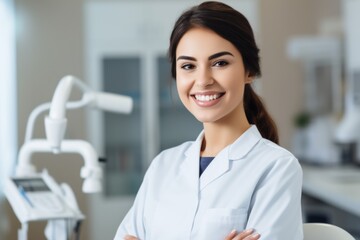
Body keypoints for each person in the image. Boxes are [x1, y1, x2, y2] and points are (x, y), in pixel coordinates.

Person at [114, 1, 303, 239]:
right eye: (188, 66)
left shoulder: (277, 167)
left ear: (249, 71)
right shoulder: (163, 166)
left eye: (220, 63)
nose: (202, 80)